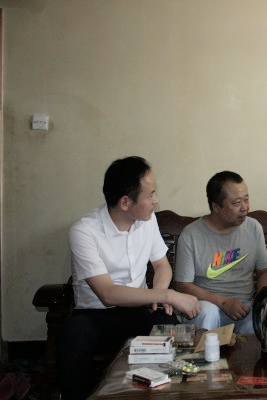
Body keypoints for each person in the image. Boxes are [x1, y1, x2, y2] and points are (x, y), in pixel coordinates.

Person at [58, 156, 200, 400]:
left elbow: (161, 265)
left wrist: (158, 295)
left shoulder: (147, 219)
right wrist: (167, 295)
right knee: (72, 335)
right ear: (125, 202)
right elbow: (107, 294)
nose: (156, 200)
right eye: (150, 194)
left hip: (140, 310)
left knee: (175, 331)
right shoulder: (84, 231)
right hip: (96, 316)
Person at [174, 171, 267, 334]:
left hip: (244, 307)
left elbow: (265, 272)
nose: (244, 208)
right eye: (237, 203)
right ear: (216, 207)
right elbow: (183, 285)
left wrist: (261, 298)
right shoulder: (191, 235)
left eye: (246, 199)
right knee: (208, 313)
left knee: (260, 318)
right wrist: (224, 302)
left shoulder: (253, 227)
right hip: (205, 304)